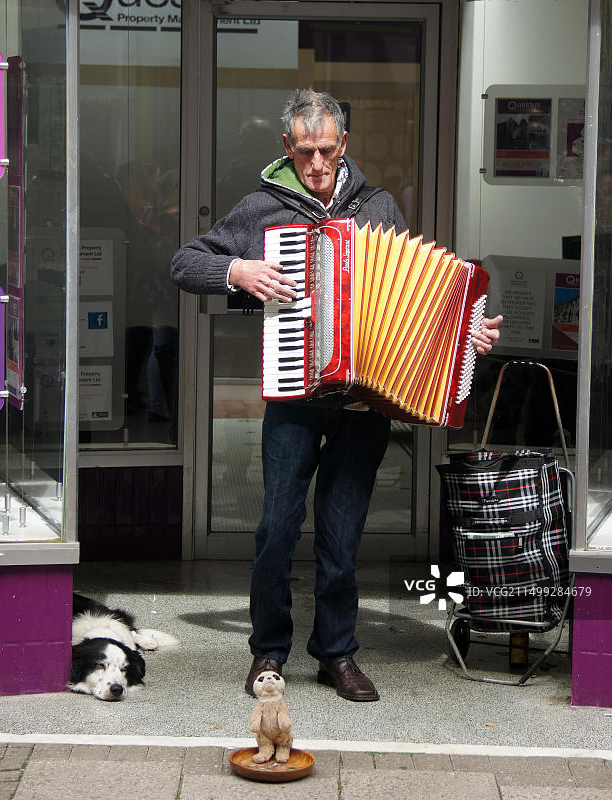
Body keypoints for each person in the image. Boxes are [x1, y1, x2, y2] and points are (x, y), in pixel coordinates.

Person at [171, 89, 502, 702]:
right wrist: (237, 272)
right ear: (287, 148)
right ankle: (268, 650)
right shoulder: (262, 207)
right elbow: (185, 262)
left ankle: (336, 654)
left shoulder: (377, 206)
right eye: (305, 152)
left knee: (342, 533)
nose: (317, 164)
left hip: (363, 403)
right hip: (295, 396)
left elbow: (418, 298)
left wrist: (466, 332)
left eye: (326, 151)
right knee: (275, 526)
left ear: (343, 145)